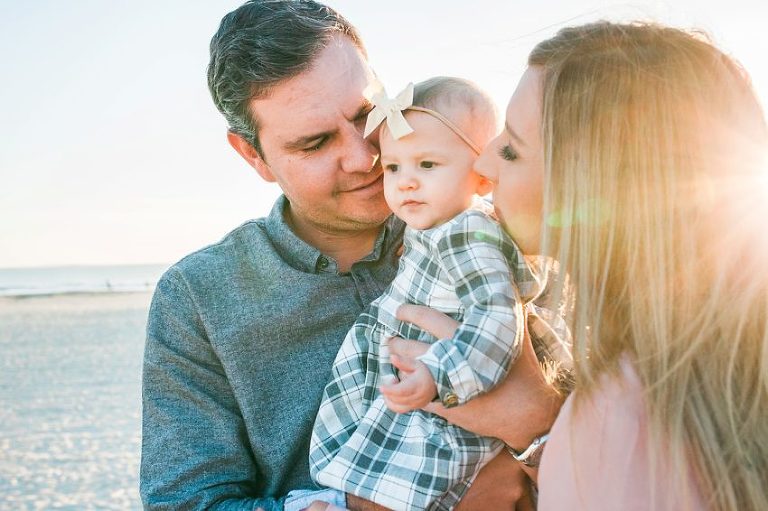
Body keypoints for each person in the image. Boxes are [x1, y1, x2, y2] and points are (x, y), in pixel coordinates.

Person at [140, 1, 558, 510]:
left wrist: (534, 431)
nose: (366, 158)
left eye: (367, 115)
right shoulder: (198, 297)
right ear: (253, 155)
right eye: (315, 143)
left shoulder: (510, 235)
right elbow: (185, 502)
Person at [385, 21, 768, 511]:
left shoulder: (621, 421)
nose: (483, 164)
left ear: (593, 188)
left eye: (512, 150)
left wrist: (535, 425)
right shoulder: (685, 379)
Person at [309, 76, 572, 511]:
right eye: (393, 167)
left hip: (458, 368)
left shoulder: (467, 232)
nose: (406, 183)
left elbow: (496, 315)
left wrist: (441, 375)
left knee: (422, 464)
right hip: (437, 363)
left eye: (427, 165)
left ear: (481, 177)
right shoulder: (438, 226)